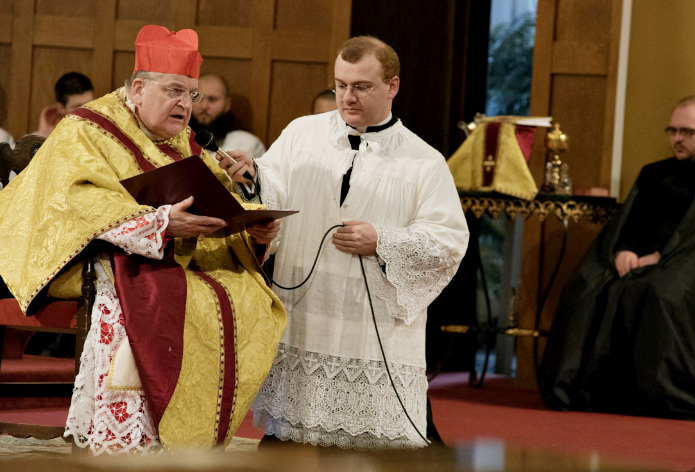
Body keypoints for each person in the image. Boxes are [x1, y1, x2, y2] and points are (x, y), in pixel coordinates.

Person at [0, 25, 286, 454]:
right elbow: (76, 201)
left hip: (171, 255)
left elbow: (214, 203)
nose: (186, 105)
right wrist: (159, 224)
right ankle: (133, 442)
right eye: (174, 90)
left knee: (244, 297)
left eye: (191, 94)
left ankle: (193, 446)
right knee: (157, 294)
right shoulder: (87, 128)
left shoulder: (185, 141)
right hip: (96, 254)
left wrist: (252, 227)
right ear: (137, 89)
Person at [218, 36, 469, 449]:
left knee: (370, 450)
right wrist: (253, 181)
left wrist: (382, 240)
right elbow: (274, 189)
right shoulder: (302, 132)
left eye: (361, 86)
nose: (346, 97)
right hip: (307, 318)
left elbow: (448, 243)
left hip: (372, 337)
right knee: (289, 443)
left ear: (393, 86)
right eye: (340, 85)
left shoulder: (424, 161)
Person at [539, 96, 695, 423]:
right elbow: (630, 222)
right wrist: (625, 251)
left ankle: (657, 394)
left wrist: (662, 258)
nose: (677, 138)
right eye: (672, 130)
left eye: (687, 131)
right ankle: (584, 388)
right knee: (585, 286)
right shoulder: (654, 173)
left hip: (693, 269)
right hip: (640, 260)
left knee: (662, 292)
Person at [190, 73, 266, 159]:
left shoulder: (248, 145)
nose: (204, 106)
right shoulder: (174, 140)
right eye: (198, 98)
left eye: (212, 99)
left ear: (227, 104)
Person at [35, 72, 95, 137]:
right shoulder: (34, 141)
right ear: (61, 108)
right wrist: (46, 136)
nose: (87, 113)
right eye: (79, 107)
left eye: (90, 104)